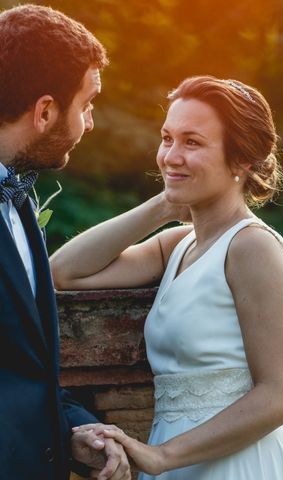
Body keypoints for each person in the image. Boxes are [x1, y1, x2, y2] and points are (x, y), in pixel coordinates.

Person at [51, 76, 283, 479]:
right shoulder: (178, 245)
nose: (171, 155)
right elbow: (65, 272)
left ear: (241, 159)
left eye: (192, 143)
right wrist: (165, 204)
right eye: (167, 138)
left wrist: (165, 456)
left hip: (238, 463)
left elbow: (281, 397)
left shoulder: (253, 248)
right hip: (178, 462)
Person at [0, 4, 131, 480]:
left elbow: (21, 370)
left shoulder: (17, 201)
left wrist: (71, 431)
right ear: (46, 111)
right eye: (87, 103)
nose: (89, 123)